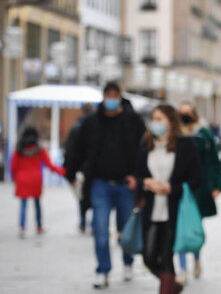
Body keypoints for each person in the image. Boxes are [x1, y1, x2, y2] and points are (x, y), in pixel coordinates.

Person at [65, 82, 146, 289]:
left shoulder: (132, 120)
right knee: (100, 228)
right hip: (100, 183)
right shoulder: (92, 122)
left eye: (115, 95)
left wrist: (138, 177)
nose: (111, 99)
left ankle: (128, 262)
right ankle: (103, 270)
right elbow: (77, 148)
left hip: (125, 184)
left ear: (120, 96)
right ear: (103, 97)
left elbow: (143, 150)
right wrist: (71, 172)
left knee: (125, 228)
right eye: (108, 95)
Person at [135, 104, 202, 294]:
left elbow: (196, 179)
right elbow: (138, 175)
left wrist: (171, 188)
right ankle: (174, 286)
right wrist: (146, 182)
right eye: (153, 119)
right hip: (152, 209)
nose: (154, 123)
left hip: (174, 210)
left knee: (166, 258)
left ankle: (167, 288)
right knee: (148, 257)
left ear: (171, 122)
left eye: (159, 119)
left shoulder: (186, 145)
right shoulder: (145, 145)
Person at [176, 102, 221, 283]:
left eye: (187, 113)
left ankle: (196, 258)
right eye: (181, 113)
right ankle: (181, 268)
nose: (185, 116)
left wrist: (215, 185)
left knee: (194, 227)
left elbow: (213, 161)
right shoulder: (174, 134)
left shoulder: (203, 134)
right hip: (178, 188)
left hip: (198, 189)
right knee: (178, 229)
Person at [11, 127, 66, 238]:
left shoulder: (19, 150)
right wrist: (64, 172)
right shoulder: (40, 149)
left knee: (23, 204)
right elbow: (50, 166)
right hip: (35, 179)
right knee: (37, 204)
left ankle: (22, 227)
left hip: (22, 179)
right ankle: (39, 227)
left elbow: (13, 167)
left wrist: (15, 179)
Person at [64, 103, 95, 233]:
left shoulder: (76, 127)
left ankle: (83, 222)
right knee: (94, 198)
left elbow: (70, 150)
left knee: (81, 196)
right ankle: (93, 224)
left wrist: (70, 172)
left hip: (80, 170)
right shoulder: (96, 126)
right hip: (93, 170)